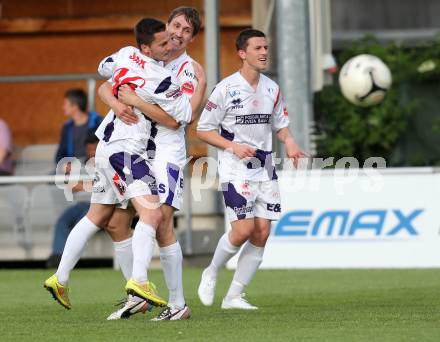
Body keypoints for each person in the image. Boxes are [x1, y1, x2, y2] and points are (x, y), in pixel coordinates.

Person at [43, 18, 193, 313]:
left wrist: (116, 97)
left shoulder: (125, 54)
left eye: (171, 40)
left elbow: (103, 71)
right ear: (145, 48)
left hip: (106, 148)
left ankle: (59, 278)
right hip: (126, 152)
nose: (168, 46)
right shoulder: (158, 78)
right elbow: (182, 114)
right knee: (151, 214)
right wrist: (127, 99)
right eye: (162, 43)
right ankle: (139, 281)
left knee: (98, 215)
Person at [98, 7, 205, 321]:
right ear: (167, 25)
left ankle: (175, 302)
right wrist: (118, 103)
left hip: (166, 152)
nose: (178, 33)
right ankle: (138, 295)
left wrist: (136, 101)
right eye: (176, 25)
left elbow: (177, 120)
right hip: (132, 146)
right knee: (115, 223)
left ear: (192, 37)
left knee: (163, 223)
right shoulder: (145, 53)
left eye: (187, 30)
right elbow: (105, 85)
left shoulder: (188, 70)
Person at [196, 29, 305, 310]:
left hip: (264, 166)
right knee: (243, 229)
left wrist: (290, 141)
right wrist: (232, 147)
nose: (264, 52)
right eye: (257, 48)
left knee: (262, 233)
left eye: (266, 47)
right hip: (235, 168)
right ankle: (211, 271)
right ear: (242, 53)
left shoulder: (272, 88)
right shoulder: (225, 89)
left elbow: (280, 125)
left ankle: (233, 296)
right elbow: (203, 130)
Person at [46, 134, 99, 268]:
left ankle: (70, 261)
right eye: (89, 149)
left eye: (95, 149)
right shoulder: (78, 163)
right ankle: (57, 256)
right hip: (79, 204)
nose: (92, 152)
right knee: (62, 222)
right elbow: (72, 186)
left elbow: (105, 187)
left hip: (96, 206)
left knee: (80, 226)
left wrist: (83, 184)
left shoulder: (107, 164)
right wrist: (92, 185)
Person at [55, 89, 102, 164]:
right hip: (73, 167)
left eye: (65, 104)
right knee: (51, 174)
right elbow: (60, 154)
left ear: (75, 106)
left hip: (95, 166)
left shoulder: (98, 122)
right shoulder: (67, 127)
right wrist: (64, 164)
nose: (63, 107)